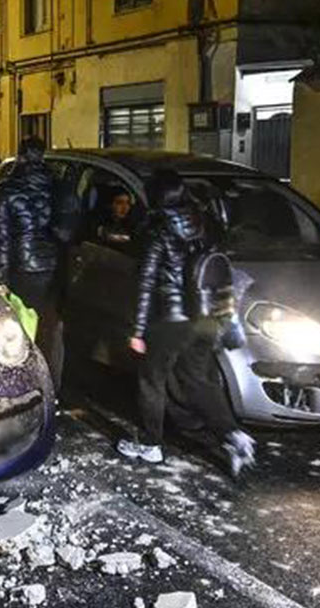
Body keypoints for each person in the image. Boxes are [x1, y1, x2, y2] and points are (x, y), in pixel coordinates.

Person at [117, 168, 256, 476]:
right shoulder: (204, 223)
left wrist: (137, 330)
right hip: (206, 316)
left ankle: (151, 444)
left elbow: (146, 283)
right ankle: (234, 436)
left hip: (170, 319)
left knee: (151, 380)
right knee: (198, 381)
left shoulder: (158, 232)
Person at [0, 137, 64, 390]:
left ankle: (26, 384)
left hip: (22, 270)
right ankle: (52, 388)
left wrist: (0, 279)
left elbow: (0, 238)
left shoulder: (7, 190)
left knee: (20, 329)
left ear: (20, 156)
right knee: (51, 332)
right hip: (53, 267)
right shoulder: (57, 185)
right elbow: (66, 227)